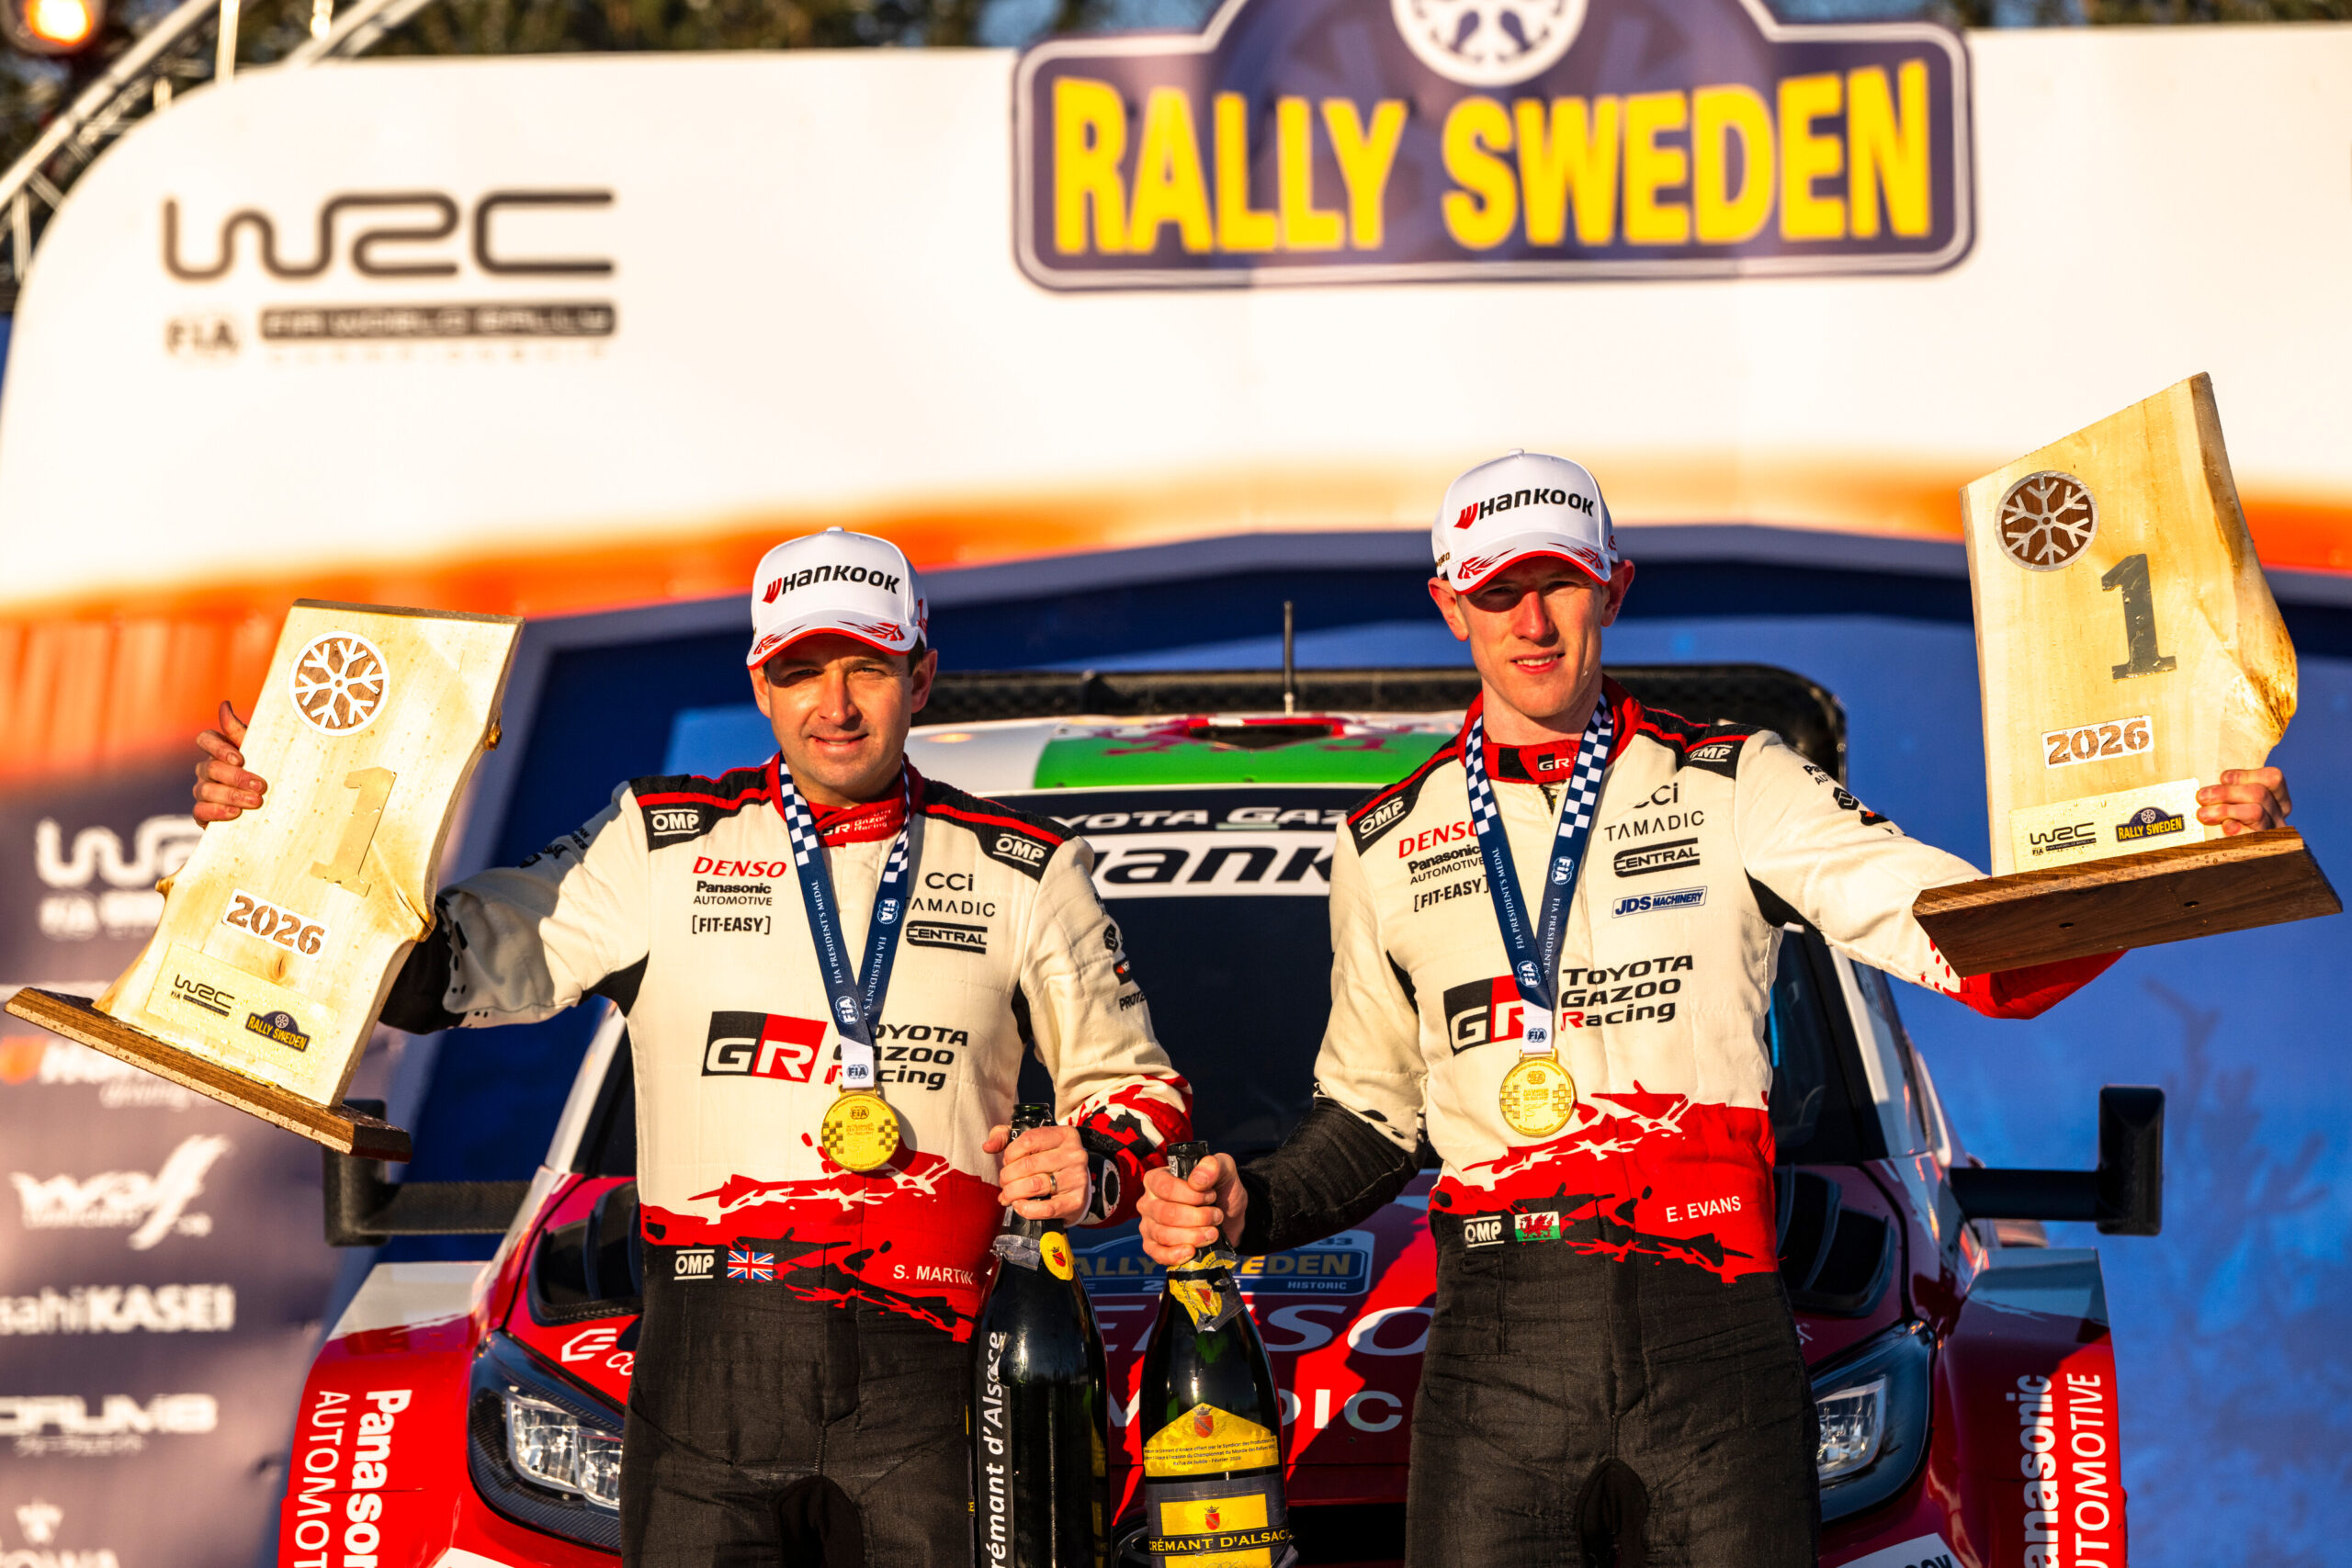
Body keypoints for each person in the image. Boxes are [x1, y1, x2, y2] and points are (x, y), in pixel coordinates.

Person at [1136, 450, 2292, 1568]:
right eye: (1499, 593)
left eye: (1559, 585)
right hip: (1496, 1337)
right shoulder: (1384, 842)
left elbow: (1964, 940)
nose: (1531, 624)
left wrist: (2178, 852)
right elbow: (1377, 1118)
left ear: (1614, 588)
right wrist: (1258, 1202)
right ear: (1450, 605)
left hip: (1716, 1320)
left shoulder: (1741, 782)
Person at [195, 528, 1193, 1568]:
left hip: (934, 1370)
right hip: (702, 1371)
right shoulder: (660, 843)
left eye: (867, 667)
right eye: (801, 671)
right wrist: (281, 841)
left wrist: (1101, 1162)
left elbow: (1138, 1094)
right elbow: (437, 977)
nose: (835, 705)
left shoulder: (1025, 870)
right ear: (760, 684)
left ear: (922, 674)